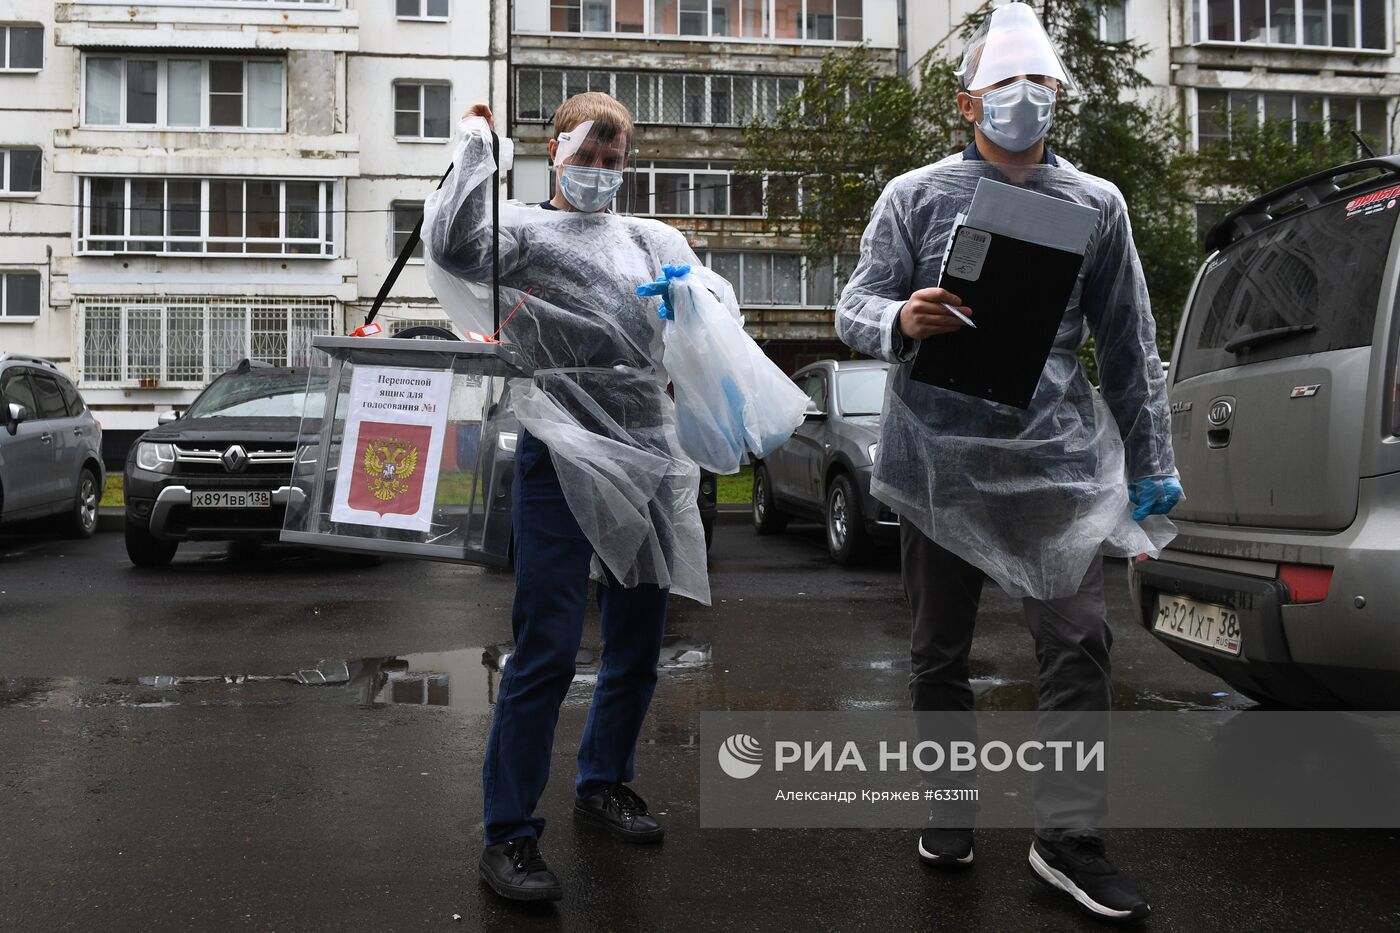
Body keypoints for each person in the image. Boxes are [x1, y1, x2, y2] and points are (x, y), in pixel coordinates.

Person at [835, 3, 1181, 923]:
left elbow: (1128, 339)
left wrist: (1150, 459)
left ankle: (1068, 837)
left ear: (1057, 98)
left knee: (1079, 642)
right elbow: (852, 302)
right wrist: (897, 319)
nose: (1021, 102)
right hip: (937, 459)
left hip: (1051, 466)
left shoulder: (1097, 204)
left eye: (1037, 87)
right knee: (937, 652)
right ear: (966, 102)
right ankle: (949, 810)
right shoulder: (914, 195)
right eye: (1002, 88)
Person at [421, 93, 753, 903]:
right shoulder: (523, 234)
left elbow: (713, 318)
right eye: (589, 156)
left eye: (616, 160)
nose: (602, 173)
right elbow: (453, 243)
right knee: (548, 643)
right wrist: (474, 147)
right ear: (554, 151)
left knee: (639, 635)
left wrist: (694, 302)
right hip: (560, 449)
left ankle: (603, 779)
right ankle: (508, 834)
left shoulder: (652, 237)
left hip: (647, 447)